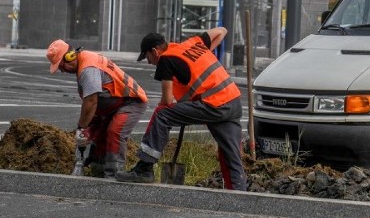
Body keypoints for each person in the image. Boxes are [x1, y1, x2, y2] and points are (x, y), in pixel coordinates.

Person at [116, 27, 246, 190]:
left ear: (155, 51)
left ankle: (144, 169)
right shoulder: (194, 42)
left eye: (147, 57)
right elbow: (222, 31)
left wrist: (161, 106)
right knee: (230, 154)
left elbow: (167, 100)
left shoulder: (165, 59)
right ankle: (239, 194)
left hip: (213, 104)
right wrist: (206, 50)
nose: (149, 62)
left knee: (162, 115)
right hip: (233, 101)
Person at [46, 39, 148, 179]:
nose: (62, 71)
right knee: (98, 133)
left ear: (69, 57)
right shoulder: (85, 60)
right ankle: (98, 170)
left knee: (115, 132)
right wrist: (88, 128)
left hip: (130, 102)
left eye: (61, 66)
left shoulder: (88, 69)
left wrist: (81, 128)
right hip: (114, 104)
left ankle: (113, 176)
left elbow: (91, 102)